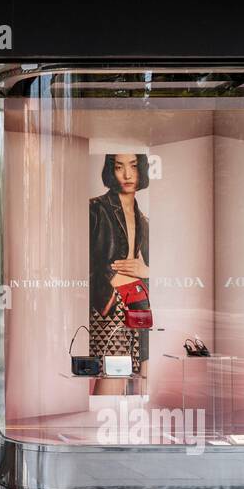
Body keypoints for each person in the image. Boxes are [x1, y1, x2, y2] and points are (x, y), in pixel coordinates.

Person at [89, 152, 151, 395]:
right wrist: (111, 279)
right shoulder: (96, 209)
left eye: (134, 167)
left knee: (142, 377)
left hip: (138, 301)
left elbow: (158, 265)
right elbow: (82, 261)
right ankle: (100, 431)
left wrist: (146, 270)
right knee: (112, 374)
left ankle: (132, 431)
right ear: (110, 170)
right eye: (119, 167)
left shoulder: (143, 220)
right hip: (110, 303)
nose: (127, 175)